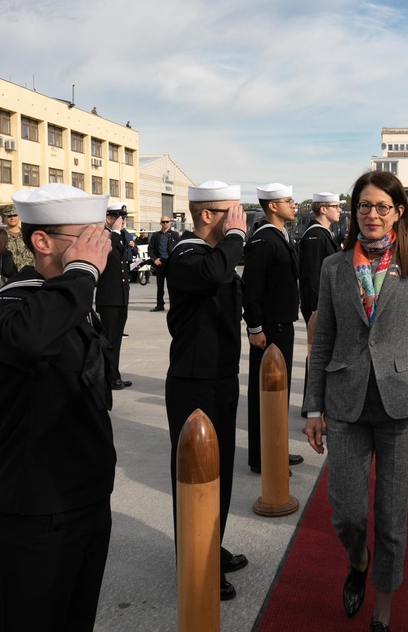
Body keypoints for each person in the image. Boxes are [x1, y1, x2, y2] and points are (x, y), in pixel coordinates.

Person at [0, 184, 114, 631]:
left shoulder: (70, 302)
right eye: (85, 239)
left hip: (86, 501)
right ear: (41, 242)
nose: (98, 250)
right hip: (36, 516)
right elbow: (31, 340)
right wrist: (83, 271)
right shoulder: (11, 305)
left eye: (100, 238)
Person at [303, 171, 408, 632]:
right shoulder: (334, 266)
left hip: (401, 406)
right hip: (345, 404)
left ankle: (382, 610)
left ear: (398, 212)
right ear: (354, 211)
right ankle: (358, 561)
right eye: (364, 206)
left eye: (383, 206)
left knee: (391, 518)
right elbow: (321, 340)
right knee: (346, 511)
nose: (372, 214)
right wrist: (312, 407)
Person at [164, 180, 250, 601]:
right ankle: (196, 563)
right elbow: (214, 273)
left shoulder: (214, 255)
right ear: (205, 215)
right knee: (196, 475)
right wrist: (234, 237)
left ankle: (211, 545)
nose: (238, 221)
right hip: (193, 381)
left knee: (221, 470)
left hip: (220, 376)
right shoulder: (185, 253)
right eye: (230, 214)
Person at [242, 182, 303, 472]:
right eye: (288, 201)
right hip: (269, 328)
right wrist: (255, 328)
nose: (294, 205)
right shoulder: (263, 240)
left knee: (279, 394)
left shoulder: (280, 236)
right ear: (273, 206)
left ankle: (276, 449)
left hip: (282, 324)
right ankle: (263, 458)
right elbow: (250, 288)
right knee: (265, 395)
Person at [96, 203, 132, 390]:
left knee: (116, 340)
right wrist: (116, 233)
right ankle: (106, 378)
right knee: (108, 340)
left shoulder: (118, 236)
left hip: (120, 297)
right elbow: (109, 255)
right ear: (109, 218)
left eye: (124, 218)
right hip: (108, 298)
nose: (123, 221)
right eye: (119, 217)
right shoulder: (104, 236)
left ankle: (114, 375)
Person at [299, 192, 343, 324]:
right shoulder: (315, 235)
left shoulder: (323, 233)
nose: (339, 210)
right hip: (319, 307)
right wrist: (316, 308)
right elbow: (312, 275)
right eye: (335, 206)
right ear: (323, 209)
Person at [148, 216, 178, 312]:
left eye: (167, 222)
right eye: (163, 222)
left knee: (172, 286)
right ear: (160, 223)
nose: (165, 223)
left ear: (169, 222)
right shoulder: (156, 235)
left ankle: (173, 306)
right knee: (160, 286)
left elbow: (178, 248)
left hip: (170, 264)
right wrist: (154, 259)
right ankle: (160, 304)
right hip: (160, 263)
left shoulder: (174, 235)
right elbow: (150, 249)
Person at [1, 203, 35, 270]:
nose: (12, 218)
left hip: (27, 273)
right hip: (8, 276)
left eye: (15, 215)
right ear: (4, 218)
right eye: (9, 216)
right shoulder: (0, 236)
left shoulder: (28, 234)